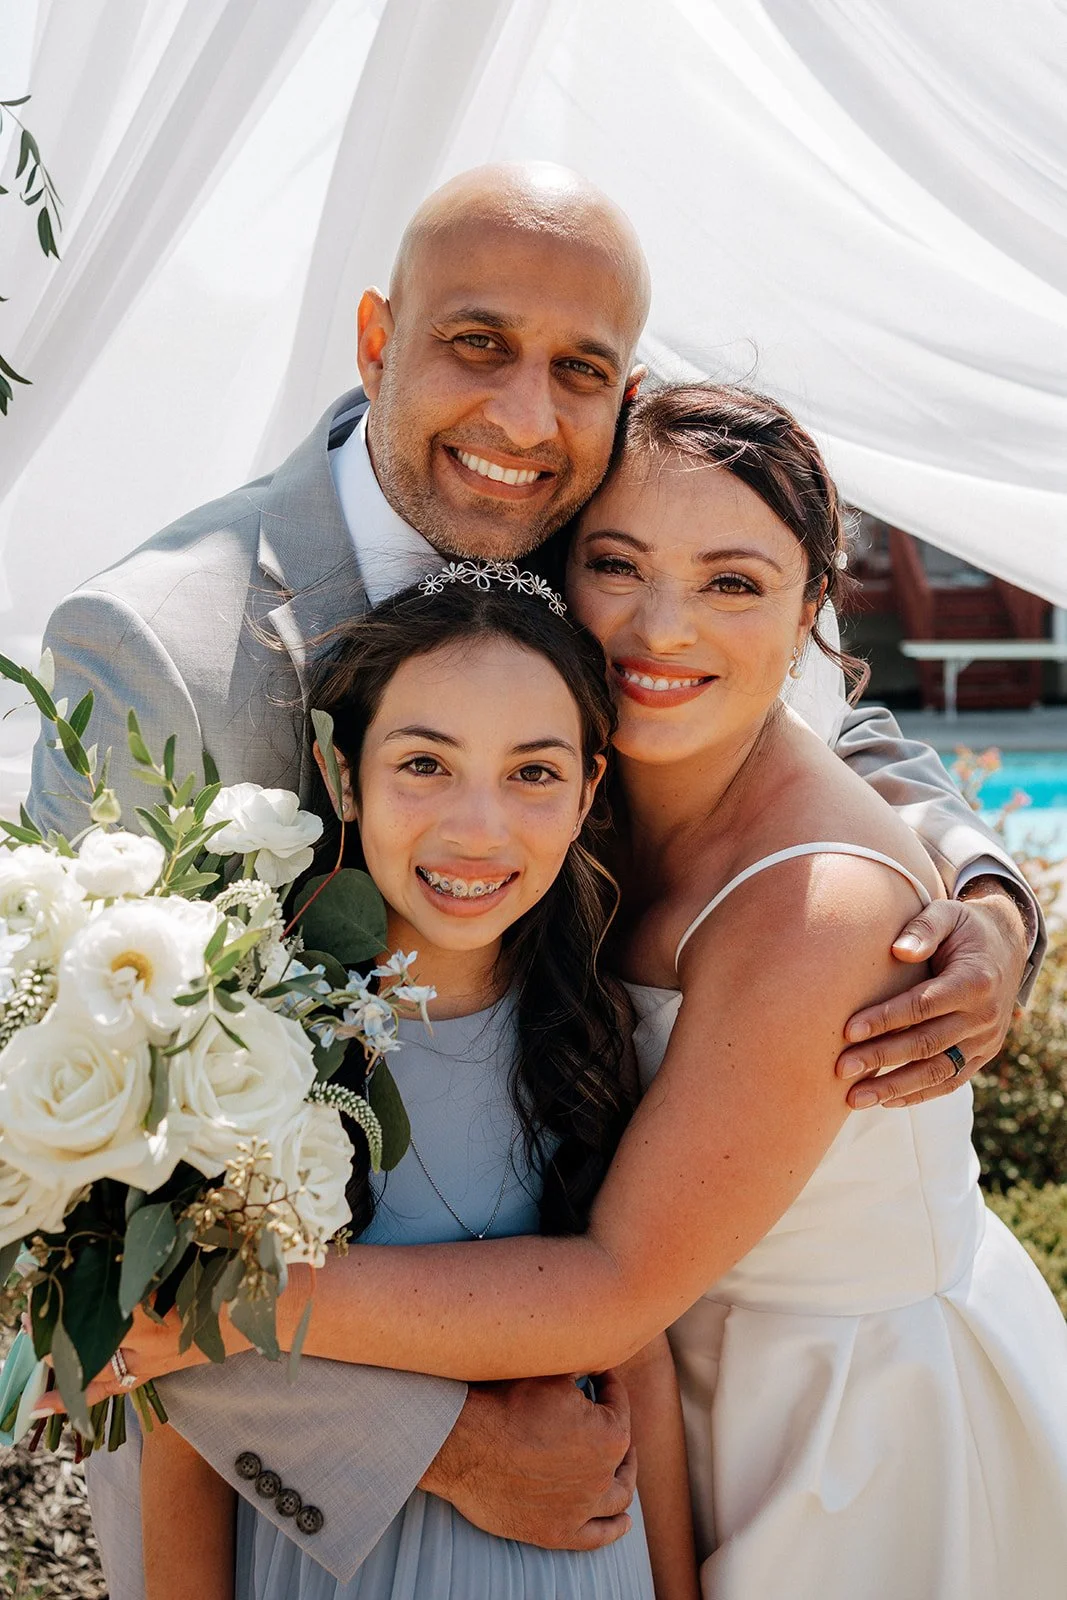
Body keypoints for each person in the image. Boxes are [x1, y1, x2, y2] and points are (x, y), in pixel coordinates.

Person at [30, 164, 1042, 1591]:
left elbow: (818, 707)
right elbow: (60, 1187)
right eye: (474, 344)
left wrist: (988, 896)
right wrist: (437, 1443)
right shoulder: (155, 648)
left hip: (703, 1418)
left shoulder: (580, 528)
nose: (521, 416)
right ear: (377, 339)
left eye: (578, 370)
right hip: (298, 1491)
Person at [141, 576, 688, 1600]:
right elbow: (180, 1401)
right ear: (339, 773)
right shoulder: (245, 1048)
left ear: (586, 789)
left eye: (531, 770)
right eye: (425, 763)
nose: (477, 827)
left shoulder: (588, 1036)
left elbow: (638, 1354)